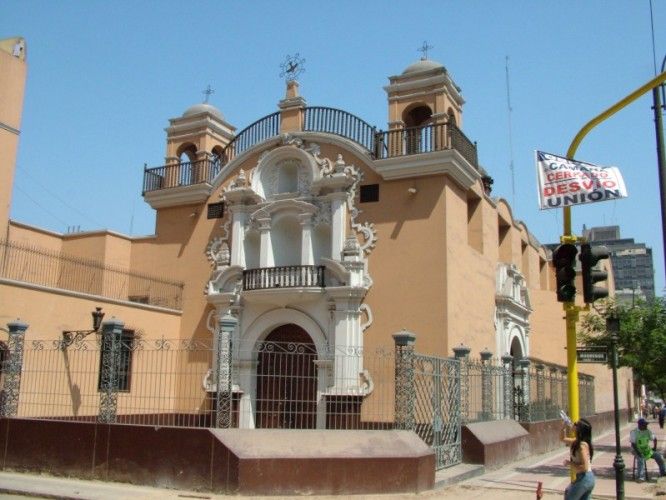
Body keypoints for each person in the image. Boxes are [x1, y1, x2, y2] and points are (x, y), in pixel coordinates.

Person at [560, 418, 595, 499]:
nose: (573, 425)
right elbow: (562, 438)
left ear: (580, 430)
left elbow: (584, 467)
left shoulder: (582, 445)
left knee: (569, 496)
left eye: (576, 424)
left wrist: (569, 463)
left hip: (584, 478)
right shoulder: (576, 442)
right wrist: (563, 427)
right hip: (586, 478)